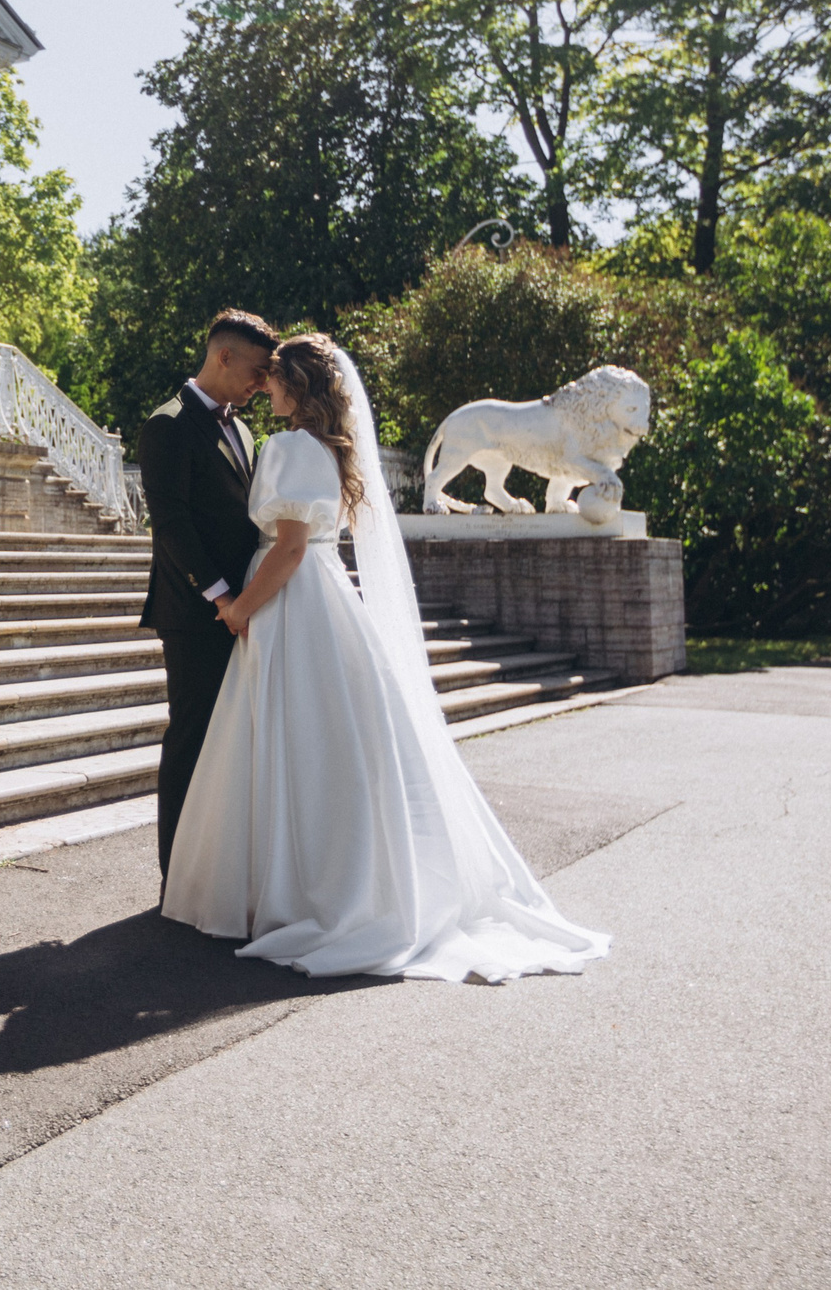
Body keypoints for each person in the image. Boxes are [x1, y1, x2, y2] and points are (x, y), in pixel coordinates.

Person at [161, 331, 611, 984]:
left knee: (289, 735)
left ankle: (288, 887)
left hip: (288, 597)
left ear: (299, 386)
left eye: (276, 378)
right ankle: (336, 876)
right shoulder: (333, 452)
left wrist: (239, 608)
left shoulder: (288, 446)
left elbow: (286, 549)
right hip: (328, 595)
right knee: (330, 739)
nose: (267, 388)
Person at [137, 309, 277, 886]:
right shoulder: (166, 425)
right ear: (223, 356)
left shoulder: (242, 429)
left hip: (242, 611)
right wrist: (222, 599)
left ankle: (219, 871)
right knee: (191, 742)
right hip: (195, 614)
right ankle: (178, 878)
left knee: (232, 746)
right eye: (258, 369)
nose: (264, 383)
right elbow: (172, 526)